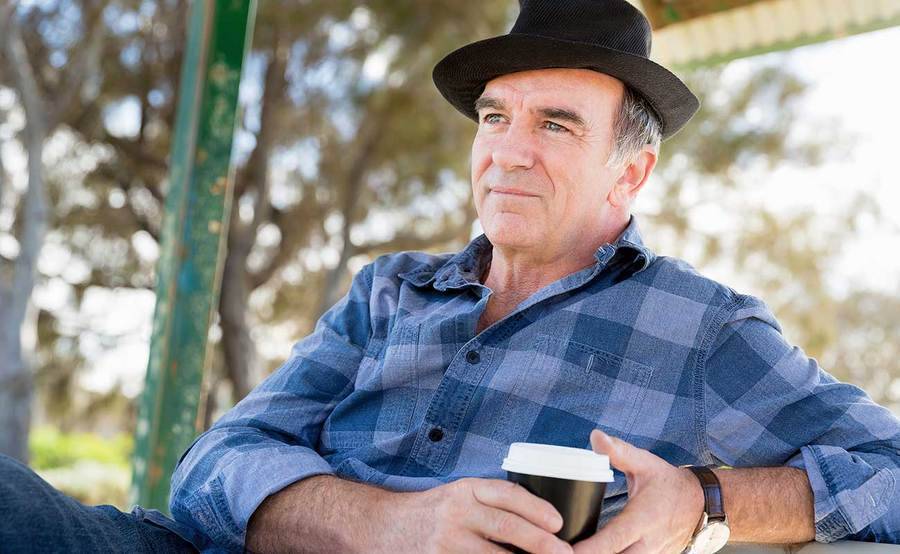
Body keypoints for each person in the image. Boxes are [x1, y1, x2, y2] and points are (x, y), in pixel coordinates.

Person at [1, 1, 898, 553]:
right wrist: (392, 527)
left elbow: (888, 470)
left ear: (631, 173)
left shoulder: (702, 329)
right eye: (496, 116)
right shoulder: (387, 291)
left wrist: (707, 503)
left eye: (555, 125)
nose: (507, 151)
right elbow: (206, 473)